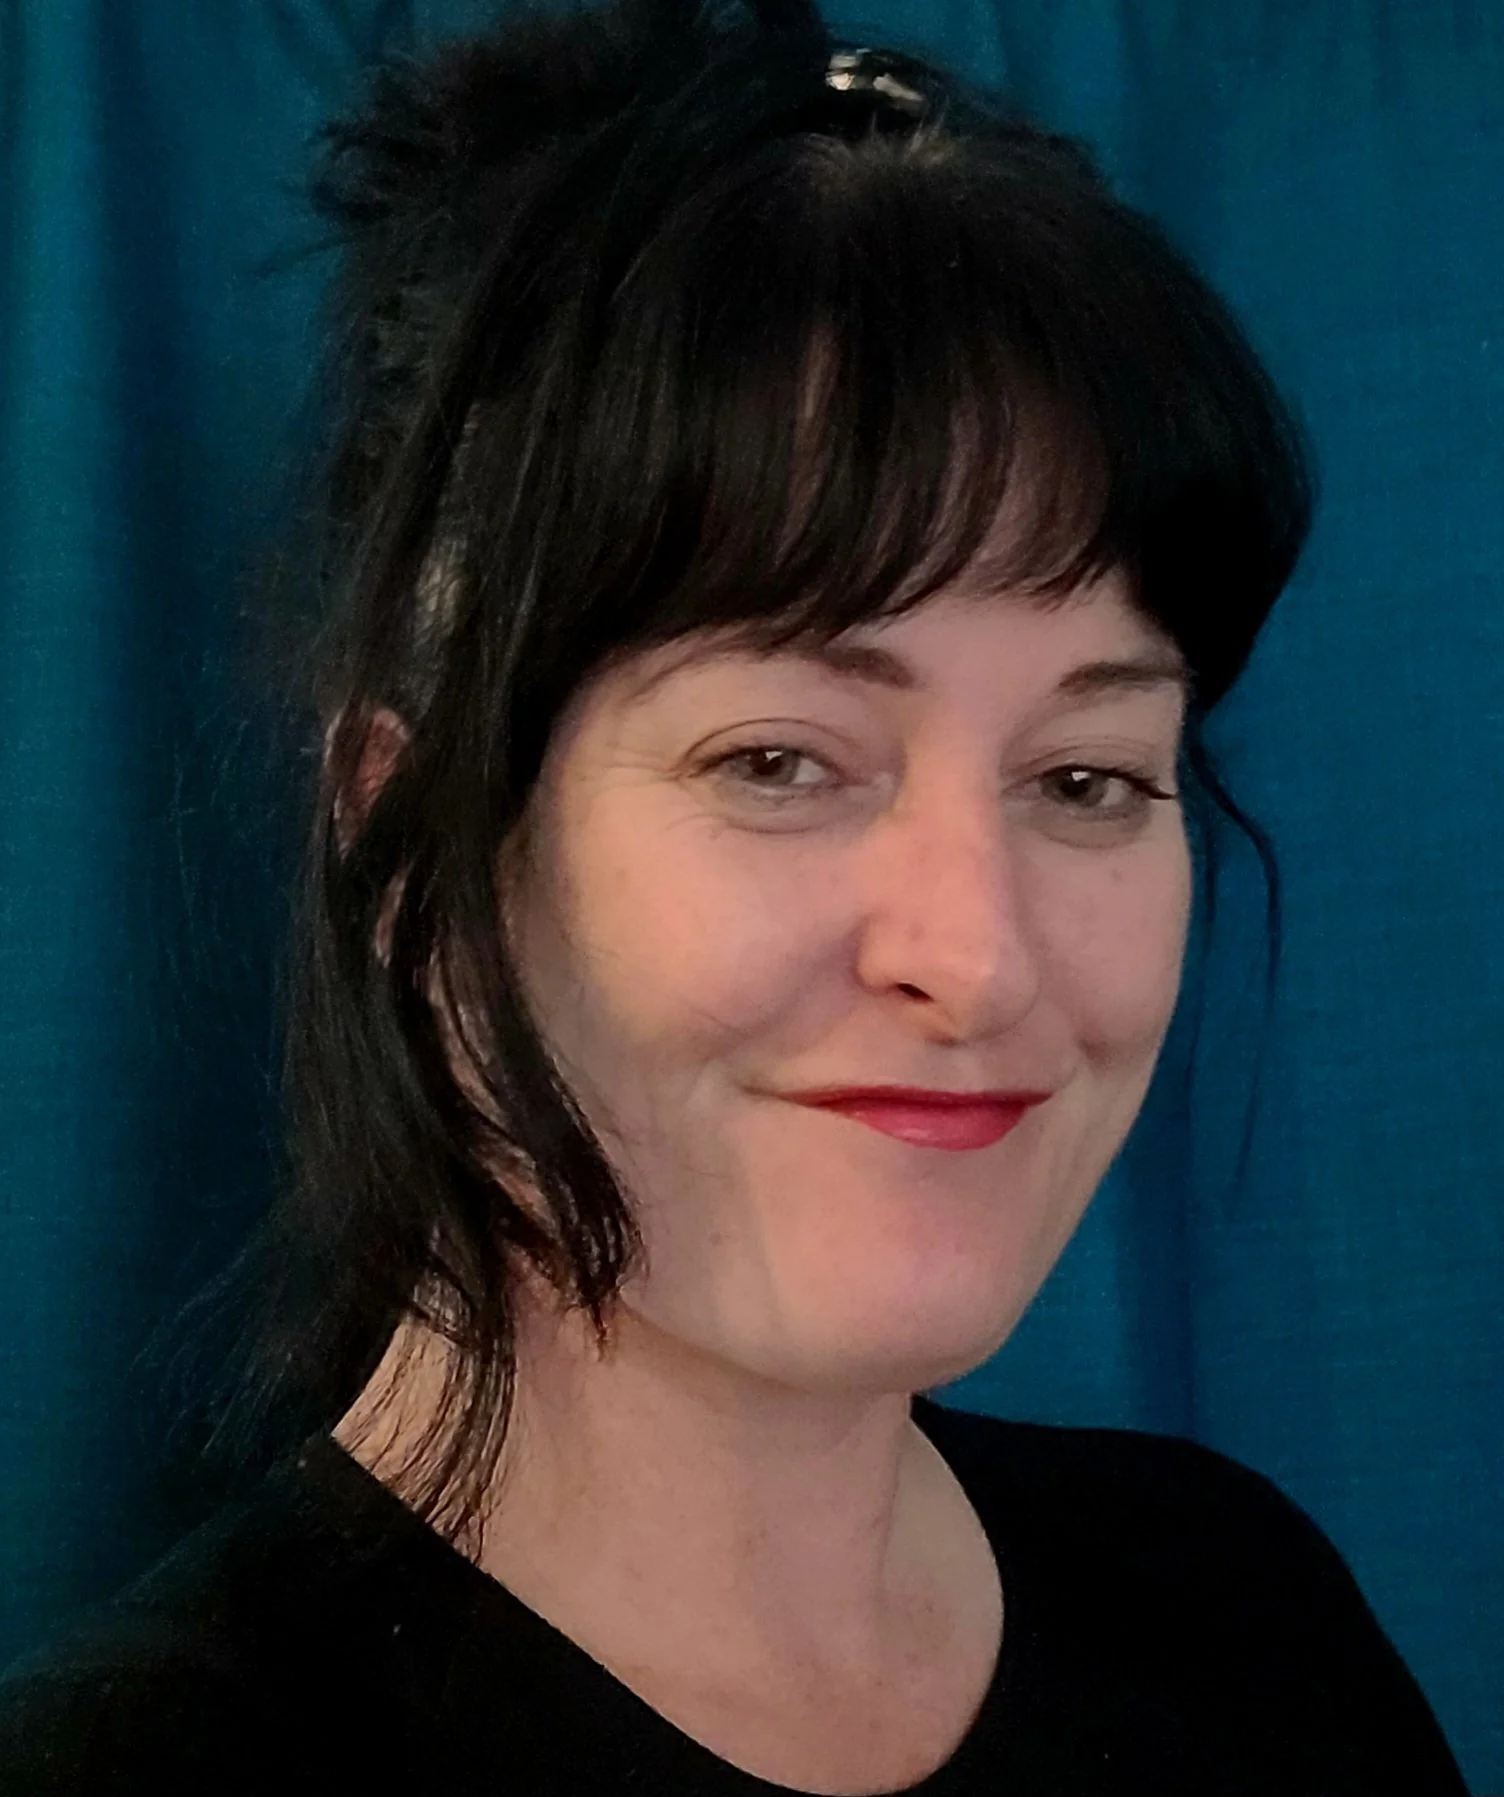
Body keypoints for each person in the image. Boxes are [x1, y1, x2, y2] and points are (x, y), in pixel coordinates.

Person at [0, 0, 1471, 1790]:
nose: (977, 958)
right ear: (413, 846)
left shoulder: (1246, 1622)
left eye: (1086, 780)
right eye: (780, 762)